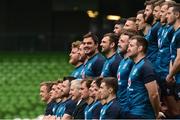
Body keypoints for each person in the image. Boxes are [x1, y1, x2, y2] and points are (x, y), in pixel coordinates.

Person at [126, 35, 160, 119]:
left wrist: (157, 113)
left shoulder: (146, 66)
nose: (128, 48)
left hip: (143, 114)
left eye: (131, 45)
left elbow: (154, 94)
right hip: (133, 112)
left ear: (140, 48)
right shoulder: (135, 65)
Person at [117, 29, 137, 117]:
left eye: (122, 41)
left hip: (130, 107)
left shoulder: (132, 61)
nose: (118, 44)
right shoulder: (122, 61)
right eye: (119, 41)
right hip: (121, 106)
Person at [166, 3, 180, 118]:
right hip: (177, 77)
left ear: (177, 15)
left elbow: (179, 58)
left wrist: (170, 75)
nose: (166, 16)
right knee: (174, 113)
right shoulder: (175, 33)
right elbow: (173, 56)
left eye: (169, 13)